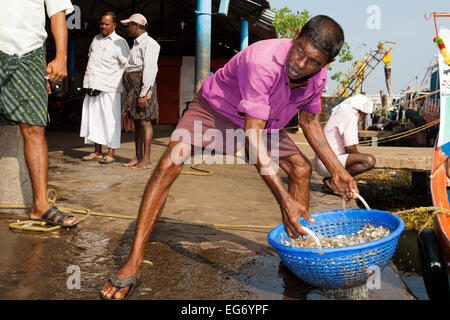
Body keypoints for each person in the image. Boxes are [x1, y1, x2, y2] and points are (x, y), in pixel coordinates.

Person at [100, 15, 359, 300]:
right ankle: (133, 261)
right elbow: (251, 136)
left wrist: (336, 169)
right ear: (296, 35)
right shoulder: (264, 60)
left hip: (262, 123)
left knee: (301, 168)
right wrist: (284, 200)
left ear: (327, 64)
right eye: (300, 52)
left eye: (313, 62)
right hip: (215, 110)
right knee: (168, 164)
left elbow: (310, 123)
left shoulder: (318, 79)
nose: (300, 65)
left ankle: (298, 255)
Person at [0, 0, 78, 227]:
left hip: (29, 53)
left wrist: (61, 55)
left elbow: (57, 13)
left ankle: (40, 205)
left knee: (34, 127)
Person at [80, 12, 130, 164]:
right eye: (101, 23)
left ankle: (111, 153)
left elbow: (127, 64)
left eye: (106, 24)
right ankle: (97, 151)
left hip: (110, 88)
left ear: (114, 25)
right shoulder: (96, 39)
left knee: (110, 121)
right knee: (93, 120)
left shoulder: (120, 42)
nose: (103, 26)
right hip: (92, 85)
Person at [313, 94, 376, 196]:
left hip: (324, 161)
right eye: (364, 114)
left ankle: (333, 179)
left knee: (362, 159)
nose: (363, 117)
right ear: (361, 111)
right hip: (327, 164)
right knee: (368, 161)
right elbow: (350, 148)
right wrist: (359, 159)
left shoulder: (344, 110)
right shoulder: (350, 115)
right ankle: (334, 182)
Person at [121, 13, 160, 170]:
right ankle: (137, 156)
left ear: (137, 26)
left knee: (145, 122)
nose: (128, 28)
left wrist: (144, 93)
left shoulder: (150, 44)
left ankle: (146, 160)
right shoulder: (136, 44)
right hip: (133, 88)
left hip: (142, 87)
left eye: (129, 25)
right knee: (137, 122)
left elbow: (150, 69)